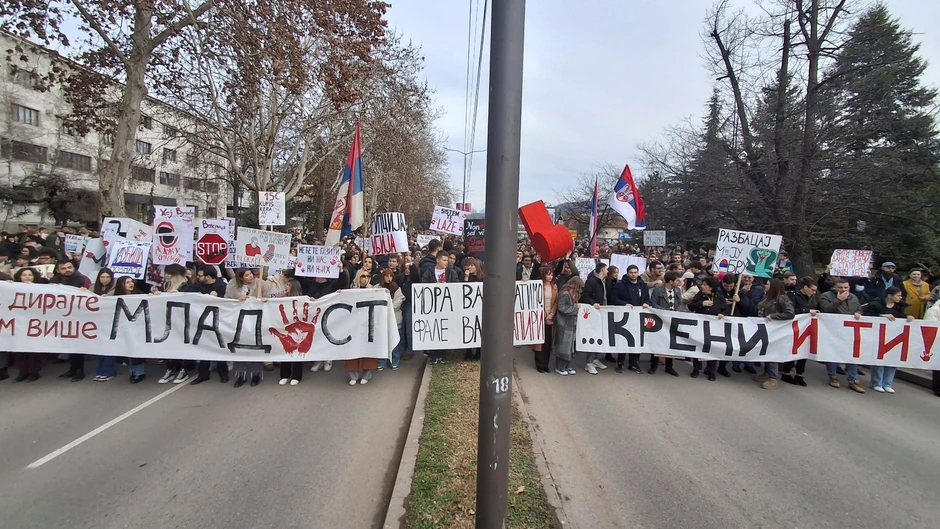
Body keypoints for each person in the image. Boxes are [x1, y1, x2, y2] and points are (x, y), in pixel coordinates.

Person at [227, 269, 272, 388]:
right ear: (241, 278)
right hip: (239, 321)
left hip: (256, 321)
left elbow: (269, 299)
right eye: (247, 275)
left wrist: (263, 300)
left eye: (250, 273)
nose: (250, 276)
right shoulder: (232, 285)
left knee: (255, 348)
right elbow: (226, 301)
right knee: (240, 348)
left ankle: (256, 374)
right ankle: (241, 375)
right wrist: (237, 300)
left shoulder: (261, 284)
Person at [819, 278, 865, 393]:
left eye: (846, 287)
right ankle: (833, 376)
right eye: (840, 287)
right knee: (833, 353)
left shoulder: (853, 297)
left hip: (850, 332)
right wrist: (838, 300)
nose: (843, 290)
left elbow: (859, 308)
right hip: (833, 331)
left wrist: (859, 313)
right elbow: (825, 309)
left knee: (852, 355)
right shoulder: (826, 296)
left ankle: (853, 380)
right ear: (835, 287)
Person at [864, 286, 913, 393]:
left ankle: (887, 383)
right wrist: (880, 316)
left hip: (894, 337)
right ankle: (876, 382)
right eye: (898, 295)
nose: (901, 298)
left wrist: (908, 318)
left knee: (892, 360)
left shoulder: (900, 306)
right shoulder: (876, 304)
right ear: (890, 296)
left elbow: (901, 318)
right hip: (879, 336)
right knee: (879, 360)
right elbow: (866, 316)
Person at [49, 259, 90, 381]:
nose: (67, 270)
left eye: (69, 267)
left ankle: (79, 371)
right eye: (63, 268)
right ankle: (72, 369)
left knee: (77, 346)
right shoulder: (54, 280)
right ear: (58, 270)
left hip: (78, 316)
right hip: (62, 317)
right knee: (69, 345)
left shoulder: (80, 279)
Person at [189, 266, 231, 385]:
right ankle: (203, 374)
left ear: (208, 277)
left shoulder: (222, 286)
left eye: (200, 275)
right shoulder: (197, 286)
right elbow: (186, 294)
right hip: (201, 322)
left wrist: (217, 297)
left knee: (219, 346)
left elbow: (229, 301)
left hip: (219, 320)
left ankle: (223, 374)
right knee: (203, 348)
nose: (198, 277)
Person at [754, 279, 795, 390]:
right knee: (766, 351)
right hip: (765, 329)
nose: (765, 285)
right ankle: (767, 373)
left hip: (774, 330)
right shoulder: (767, 297)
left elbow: (790, 313)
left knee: (772, 352)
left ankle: (773, 378)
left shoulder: (782, 298)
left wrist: (774, 316)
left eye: (767, 284)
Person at [687, 276, 729, 381]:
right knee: (698, 346)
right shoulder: (699, 295)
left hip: (714, 328)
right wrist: (701, 304)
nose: (702, 286)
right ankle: (696, 369)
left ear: (711, 287)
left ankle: (711, 371)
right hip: (700, 325)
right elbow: (691, 306)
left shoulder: (719, 296)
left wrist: (722, 313)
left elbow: (725, 309)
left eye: (705, 285)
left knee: (712, 348)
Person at [781, 276, 820, 386]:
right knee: (791, 349)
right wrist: (807, 311)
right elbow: (790, 310)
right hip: (793, 328)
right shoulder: (792, 295)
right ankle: (787, 373)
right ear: (805, 287)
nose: (813, 293)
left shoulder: (813, 298)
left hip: (806, 329)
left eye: (815, 291)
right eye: (812, 290)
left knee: (804, 350)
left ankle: (799, 374)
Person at [613, 264, 650, 373]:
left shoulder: (643, 285)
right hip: (625, 317)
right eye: (631, 272)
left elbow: (647, 299)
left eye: (635, 272)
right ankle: (620, 362)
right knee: (624, 340)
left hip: (639, 317)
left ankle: (634, 363)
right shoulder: (620, 285)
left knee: (637, 341)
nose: (633, 275)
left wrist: (647, 303)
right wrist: (624, 304)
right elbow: (614, 298)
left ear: (638, 273)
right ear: (627, 273)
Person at [112, 276, 148, 383]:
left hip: (137, 327)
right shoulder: (116, 296)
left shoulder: (139, 293)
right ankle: (133, 370)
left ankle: (139, 372)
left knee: (136, 350)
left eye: (131, 281)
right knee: (128, 350)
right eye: (127, 282)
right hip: (123, 327)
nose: (130, 284)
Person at [346, 270, 379, 385]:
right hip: (354, 324)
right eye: (363, 276)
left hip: (368, 324)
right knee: (353, 349)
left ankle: (366, 374)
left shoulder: (374, 290)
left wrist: (384, 292)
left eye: (368, 276)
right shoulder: (352, 291)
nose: (365, 278)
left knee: (367, 350)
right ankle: (353, 375)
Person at [647, 271, 683, 376]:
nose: (679, 282)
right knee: (658, 342)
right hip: (661, 319)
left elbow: (680, 303)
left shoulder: (677, 290)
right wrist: (665, 311)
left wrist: (677, 312)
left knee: (670, 343)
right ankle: (653, 365)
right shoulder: (658, 291)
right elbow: (653, 304)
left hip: (673, 320)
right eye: (677, 280)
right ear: (671, 281)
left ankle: (669, 366)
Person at [12, 268, 42, 382]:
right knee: (19, 349)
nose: (27, 277)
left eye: (30, 275)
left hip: (35, 323)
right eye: (24, 275)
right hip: (18, 322)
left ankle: (34, 372)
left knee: (33, 349)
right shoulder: (13, 288)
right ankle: (23, 372)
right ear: (20, 277)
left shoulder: (41, 288)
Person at [373, 268, 405, 371]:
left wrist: (386, 304)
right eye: (387, 276)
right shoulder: (377, 288)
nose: (389, 278)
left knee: (394, 341)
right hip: (381, 320)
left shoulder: (396, 288)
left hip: (394, 319)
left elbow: (398, 303)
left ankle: (394, 361)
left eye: (390, 276)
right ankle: (381, 361)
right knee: (381, 341)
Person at [278, 277, 307, 386]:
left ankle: (296, 376)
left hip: (298, 330)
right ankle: (284, 375)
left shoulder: (302, 300)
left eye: (288, 285)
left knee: (296, 352)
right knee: (285, 351)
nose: (286, 287)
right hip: (285, 328)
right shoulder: (281, 298)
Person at [553, 277, 583, 376]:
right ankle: (560, 367)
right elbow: (562, 308)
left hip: (571, 324)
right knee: (563, 347)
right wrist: (575, 308)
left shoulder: (573, 294)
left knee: (571, 347)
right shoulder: (565, 294)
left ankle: (568, 365)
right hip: (563, 324)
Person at [533, 265, 558, 373]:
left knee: (548, 341)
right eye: (548, 274)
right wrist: (542, 312)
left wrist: (551, 313)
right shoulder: (539, 285)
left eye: (551, 275)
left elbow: (556, 302)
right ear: (544, 275)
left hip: (549, 317)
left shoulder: (554, 287)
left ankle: (546, 364)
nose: (550, 277)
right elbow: (535, 300)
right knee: (540, 341)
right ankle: (539, 364)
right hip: (540, 316)